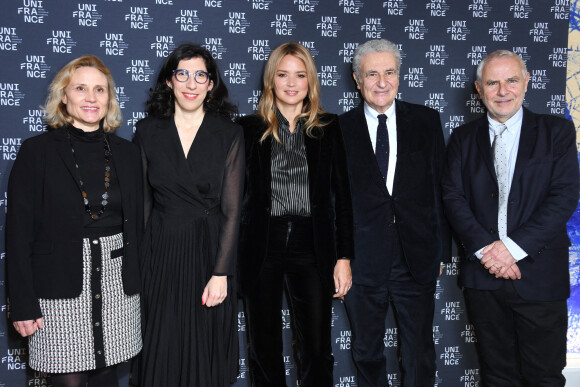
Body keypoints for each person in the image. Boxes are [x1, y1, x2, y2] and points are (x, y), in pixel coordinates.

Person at [442, 49, 578, 386]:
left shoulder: (557, 132)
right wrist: (489, 253)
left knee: (543, 377)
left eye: (511, 80)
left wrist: (511, 249)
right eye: (493, 82)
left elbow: (563, 198)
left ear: (527, 81)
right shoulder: (461, 139)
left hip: (539, 277)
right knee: (496, 376)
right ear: (479, 88)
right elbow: (452, 198)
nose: (503, 91)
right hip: (483, 279)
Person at [6, 55, 142, 387]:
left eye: (100, 89)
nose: (91, 98)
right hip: (57, 286)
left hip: (116, 286)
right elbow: (18, 234)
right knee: (68, 379)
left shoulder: (127, 153)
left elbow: (139, 225)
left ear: (109, 98)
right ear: (64, 96)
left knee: (106, 375)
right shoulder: (36, 151)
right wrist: (22, 303)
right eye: (80, 88)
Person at [237, 42, 354, 387]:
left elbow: (343, 198)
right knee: (263, 346)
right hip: (262, 244)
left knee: (317, 348)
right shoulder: (247, 128)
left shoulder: (329, 127)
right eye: (283, 74)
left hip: (313, 245)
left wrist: (343, 256)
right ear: (271, 80)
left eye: (300, 75)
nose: (291, 83)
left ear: (310, 81)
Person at [338, 39, 450, 387]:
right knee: (366, 348)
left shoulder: (426, 121)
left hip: (415, 255)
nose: (382, 82)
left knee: (419, 349)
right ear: (358, 80)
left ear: (400, 76)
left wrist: (442, 249)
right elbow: (332, 201)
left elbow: (439, 188)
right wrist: (339, 256)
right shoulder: (337, 129)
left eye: (389, 72)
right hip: (361, 258)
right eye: (372, 74)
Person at [134, 43, 243, 387]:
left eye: (200, 75)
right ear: (169, 80)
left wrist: (221, 272)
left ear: (211, 84)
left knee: (205, 347)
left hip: (209, 251)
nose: (191, 83)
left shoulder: (229, 133)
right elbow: (142, 205)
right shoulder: (148, 131)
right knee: (161, 344)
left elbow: (232, 210)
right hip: (160, 252)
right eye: (182, 74)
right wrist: (138, 265)